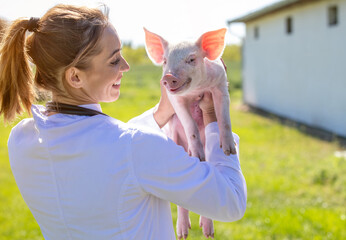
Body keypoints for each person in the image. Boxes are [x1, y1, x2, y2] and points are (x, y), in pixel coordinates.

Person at [0, 4, 246, 240]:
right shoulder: (135, 149)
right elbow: (231, 201)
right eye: (114, 60)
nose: (126, 67)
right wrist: (212, 117)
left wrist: (162, 112)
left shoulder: (21, 139)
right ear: (75, 76)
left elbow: (107, 148)